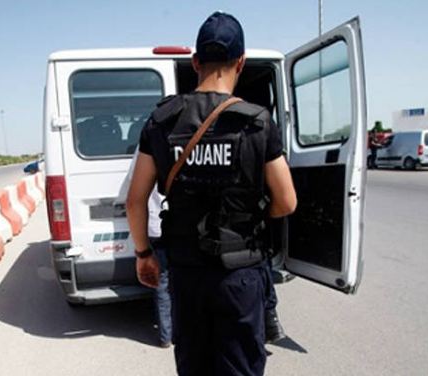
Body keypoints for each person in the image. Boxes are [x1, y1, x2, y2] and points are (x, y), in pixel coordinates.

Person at [126, 11, 297, 376]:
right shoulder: (257, 122)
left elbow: (135, 199)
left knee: (195, 366)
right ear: (241, 62)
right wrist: (251, 218)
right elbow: (287, 201)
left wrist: (144, 254)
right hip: (240, 275)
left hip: (187, 273)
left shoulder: (161, 121)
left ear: (195, 62)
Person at [117, 149, 172, 348]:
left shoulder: (148, 146)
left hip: (156, 226)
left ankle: (166, 335)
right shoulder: (190, 138)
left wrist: (141, 251)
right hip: (184, 227)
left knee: (162, 281)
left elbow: (133, 196)